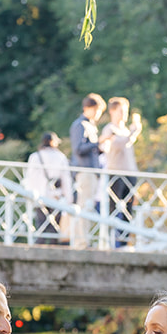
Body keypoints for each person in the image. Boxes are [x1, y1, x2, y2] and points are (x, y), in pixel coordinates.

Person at [99, 96, 143, 246]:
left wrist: (132, 133)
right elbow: (116, 145)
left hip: (130, 174)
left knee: (128, 210)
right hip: (116, 174)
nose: (124, 114)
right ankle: (114, 242)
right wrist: (133, 133)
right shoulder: (109, 129)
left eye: (126, 111)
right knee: (115, 209)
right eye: (121, 111)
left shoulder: (125, 130)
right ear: (112, 111)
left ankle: (124, 242)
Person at [69, 93, 106, 248]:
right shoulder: (80, 125)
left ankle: (84, 240)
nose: (98, 115)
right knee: (84, 206)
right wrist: (98, 143)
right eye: (96, 110)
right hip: (84, 171)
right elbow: (78, 149)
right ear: (88, 108)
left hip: (92, 171)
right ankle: (81, 242)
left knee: (88, 207)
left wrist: (100, 148)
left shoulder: (90, 126)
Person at [24, 131, 71, 243]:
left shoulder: (35, 157)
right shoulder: (60, 157)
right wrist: (69, 198)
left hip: (40, 196)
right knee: (55, 227)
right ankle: (53, 248)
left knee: (41, 225)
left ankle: (38, 248)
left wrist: (30, 195)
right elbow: (66, 178)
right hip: (56, 196)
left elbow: (30, 178)